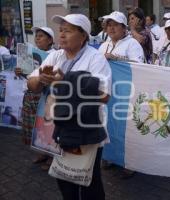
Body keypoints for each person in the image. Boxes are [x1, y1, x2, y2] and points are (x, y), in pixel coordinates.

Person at [27, 13, 111, 200]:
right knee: (64, 177)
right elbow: (31, 84)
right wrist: (40, 79)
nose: (62, 35)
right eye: (61, 30)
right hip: (61, 128)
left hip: (87, 130)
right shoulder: (56, 56)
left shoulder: (95, 59)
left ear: (83, 36)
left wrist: (67, 81)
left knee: (89, 181)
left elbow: (105, 96)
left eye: (68, 31)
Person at [16, 26, 55, 170]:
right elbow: (29, 77)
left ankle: (51, 156)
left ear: (50, 40)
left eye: (41, 36)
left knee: (45, 126)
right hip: (30, 94)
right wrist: (21, 72)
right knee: (33, 126)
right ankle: (42, 153)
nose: (37, 38)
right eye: (36, 36)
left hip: (44, 96)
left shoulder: (55, 55)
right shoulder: (30, 55)